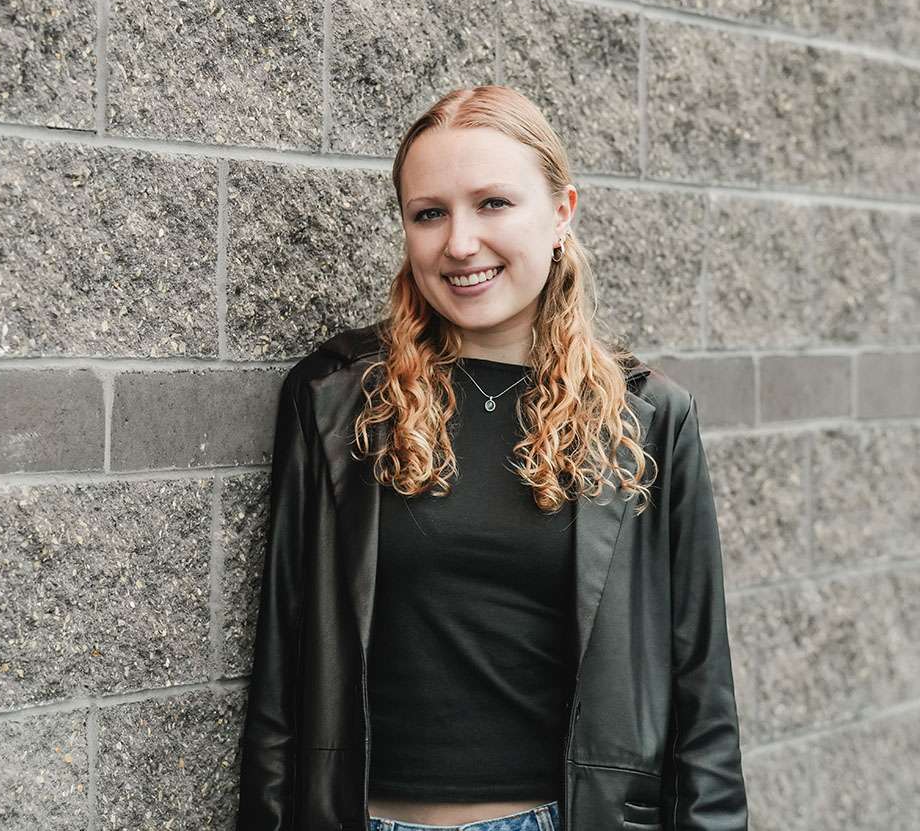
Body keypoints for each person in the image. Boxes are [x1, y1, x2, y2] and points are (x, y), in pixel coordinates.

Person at [236, 85, 747, 831]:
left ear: (562, 212)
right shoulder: (336, 399)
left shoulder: (645, 418)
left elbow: (702, 690)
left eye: (494, 204)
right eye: (429, 213)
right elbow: (282, 674)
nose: (460, 243)